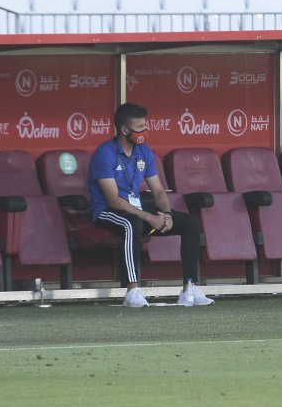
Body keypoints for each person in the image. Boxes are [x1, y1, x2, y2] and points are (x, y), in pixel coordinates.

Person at [89, 102, 211, 308]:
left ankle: (190, 287)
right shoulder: (105, 153)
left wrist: (166, 213)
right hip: (107, 212)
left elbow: (158, 190)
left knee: (190, 223)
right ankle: (132, 290)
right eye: (139, 128)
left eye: (145, 127)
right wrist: (149, 217)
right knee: (132, 224)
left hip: (138, 212)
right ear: (124, 130)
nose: (144, 132)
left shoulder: (144, 152)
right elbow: (113, 199)